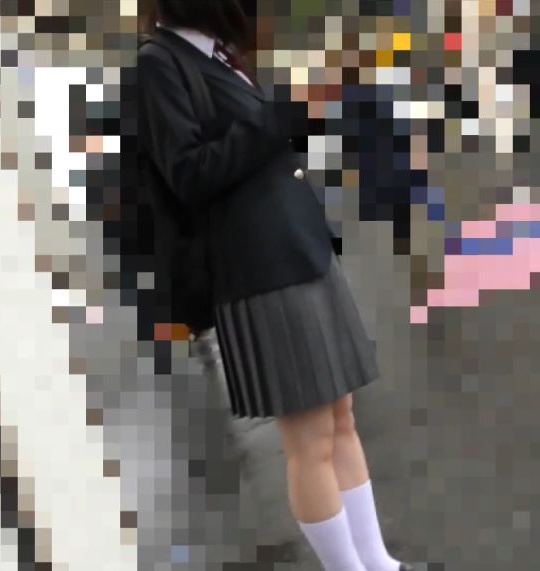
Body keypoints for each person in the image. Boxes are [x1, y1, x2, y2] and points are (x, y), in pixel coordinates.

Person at [137, 1, 413, 570]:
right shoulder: (160, 62)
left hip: (297, 251)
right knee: (309, 440)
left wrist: (305, 106)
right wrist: (283, 111)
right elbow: (189, 173)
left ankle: (378, 563)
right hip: (259, 270)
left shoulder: (215, 54)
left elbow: (256, 146)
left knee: (340, 420)